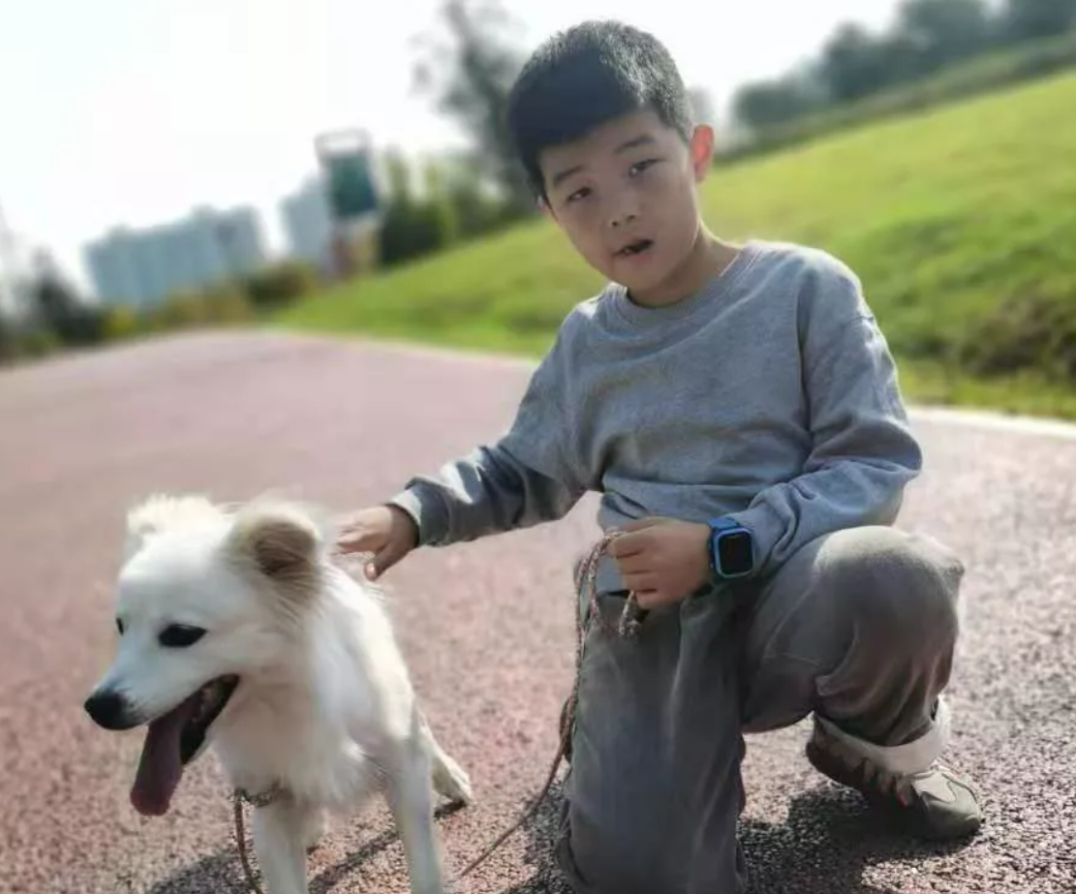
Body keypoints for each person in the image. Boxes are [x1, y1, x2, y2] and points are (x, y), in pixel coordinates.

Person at [336, 19, 982, 894]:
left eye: (641, 166)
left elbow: (872, 464)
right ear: (550, 212)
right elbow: (519, 470)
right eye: (580, 191)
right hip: (657, 622)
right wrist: (414, 512)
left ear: (697, 151)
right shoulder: (587, 346)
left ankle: (875, 744)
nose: (619, 209)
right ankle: (613, 719)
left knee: (894, 575)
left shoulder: (807, 291)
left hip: (795, 597)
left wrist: (725, 543)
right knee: (642, 874)